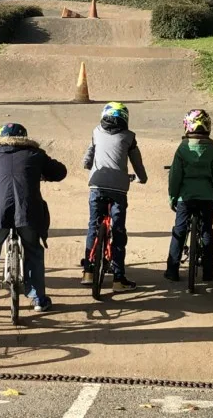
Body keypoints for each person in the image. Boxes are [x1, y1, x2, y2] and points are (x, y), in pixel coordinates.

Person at [0, 123, 67, 313]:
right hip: (29, 213)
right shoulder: (35, 155)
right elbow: (60, 172)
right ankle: (38, 299)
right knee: (33, 250)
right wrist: (41, 172)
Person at [81, 102, 148, 291]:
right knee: (118, 232)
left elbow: (87, 159)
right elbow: (137, 164)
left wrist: (89, 166)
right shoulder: (129, 137)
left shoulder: (96, 132)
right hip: (119, 189)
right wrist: (141, 179)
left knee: (93, 225)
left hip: (96, 185)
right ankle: (118, 280)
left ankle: (88, 271)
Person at [165, 110, 213, 283]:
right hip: (206, 197)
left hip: (186, 197)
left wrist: (172, 197)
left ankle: (172, 269)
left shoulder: (182, 149)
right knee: (206, 231)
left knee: (180, 230)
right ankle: (207, 270)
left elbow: (175, 177)